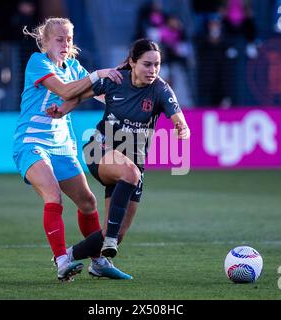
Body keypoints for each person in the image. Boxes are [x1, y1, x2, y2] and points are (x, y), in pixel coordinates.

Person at [46, 39, 190, 278]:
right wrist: (61, 110)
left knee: (117, 231)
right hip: (99, 149)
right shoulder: (115, 80)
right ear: (132, 62)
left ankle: (70, 257)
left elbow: (179, 120)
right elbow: (80, 96)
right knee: (129, 175)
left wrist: (182, 129)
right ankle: (109, 241)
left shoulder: (161, 89)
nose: (152, 70)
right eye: (147, 64)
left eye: (157, 65)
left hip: (133, 162)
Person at [12, 17, 131, 282]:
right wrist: (98, 74)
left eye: (69, 39)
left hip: (63, 146)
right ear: (45, 41)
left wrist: (125, 88)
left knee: (88, 202)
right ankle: (62, 260)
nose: (66, 44)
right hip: (32, 143)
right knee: (53, 194)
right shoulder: (37, 62)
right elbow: (67, 91)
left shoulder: (73, 66)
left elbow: (95, 92)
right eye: (59, 39)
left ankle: (98, 262)